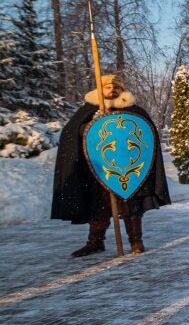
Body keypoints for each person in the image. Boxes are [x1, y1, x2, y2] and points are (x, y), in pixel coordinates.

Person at [51, 74, 171, 256]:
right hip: (99, 169)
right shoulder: (89, 110)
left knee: (130, 206)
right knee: (98, 206)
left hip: (128, 169)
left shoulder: (133, 111)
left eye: (116, 87)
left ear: (122, 91)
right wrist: (92, 126)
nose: (112, 90)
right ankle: (95, 242)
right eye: (107, 87)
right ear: (100, 90)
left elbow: (146, 135)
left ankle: (136, 242)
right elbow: (72, 134)